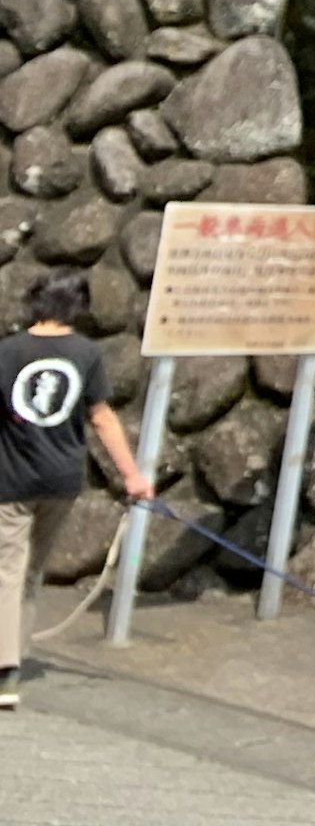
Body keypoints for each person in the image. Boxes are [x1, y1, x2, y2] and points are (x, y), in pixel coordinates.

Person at [0, 272, 151, 705]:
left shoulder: (8, 352)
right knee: (30, 571)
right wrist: (132, 476)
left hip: (11, 479)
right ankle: (16, 656)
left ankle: (5, 670)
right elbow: (102, 418)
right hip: (62, 480)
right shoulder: (84, 353)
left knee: (7, 571)